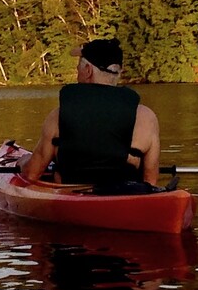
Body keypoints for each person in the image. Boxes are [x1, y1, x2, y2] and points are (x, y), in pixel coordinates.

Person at [19, 38, 162, 187]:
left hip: (71, 193)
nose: (77, 72)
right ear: (119, 71)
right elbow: (150, 179)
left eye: (78, 67)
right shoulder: (146, 117)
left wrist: (22, 161)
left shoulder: (59, 115)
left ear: (87, 71)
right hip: (124, 193)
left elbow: (32, 174)